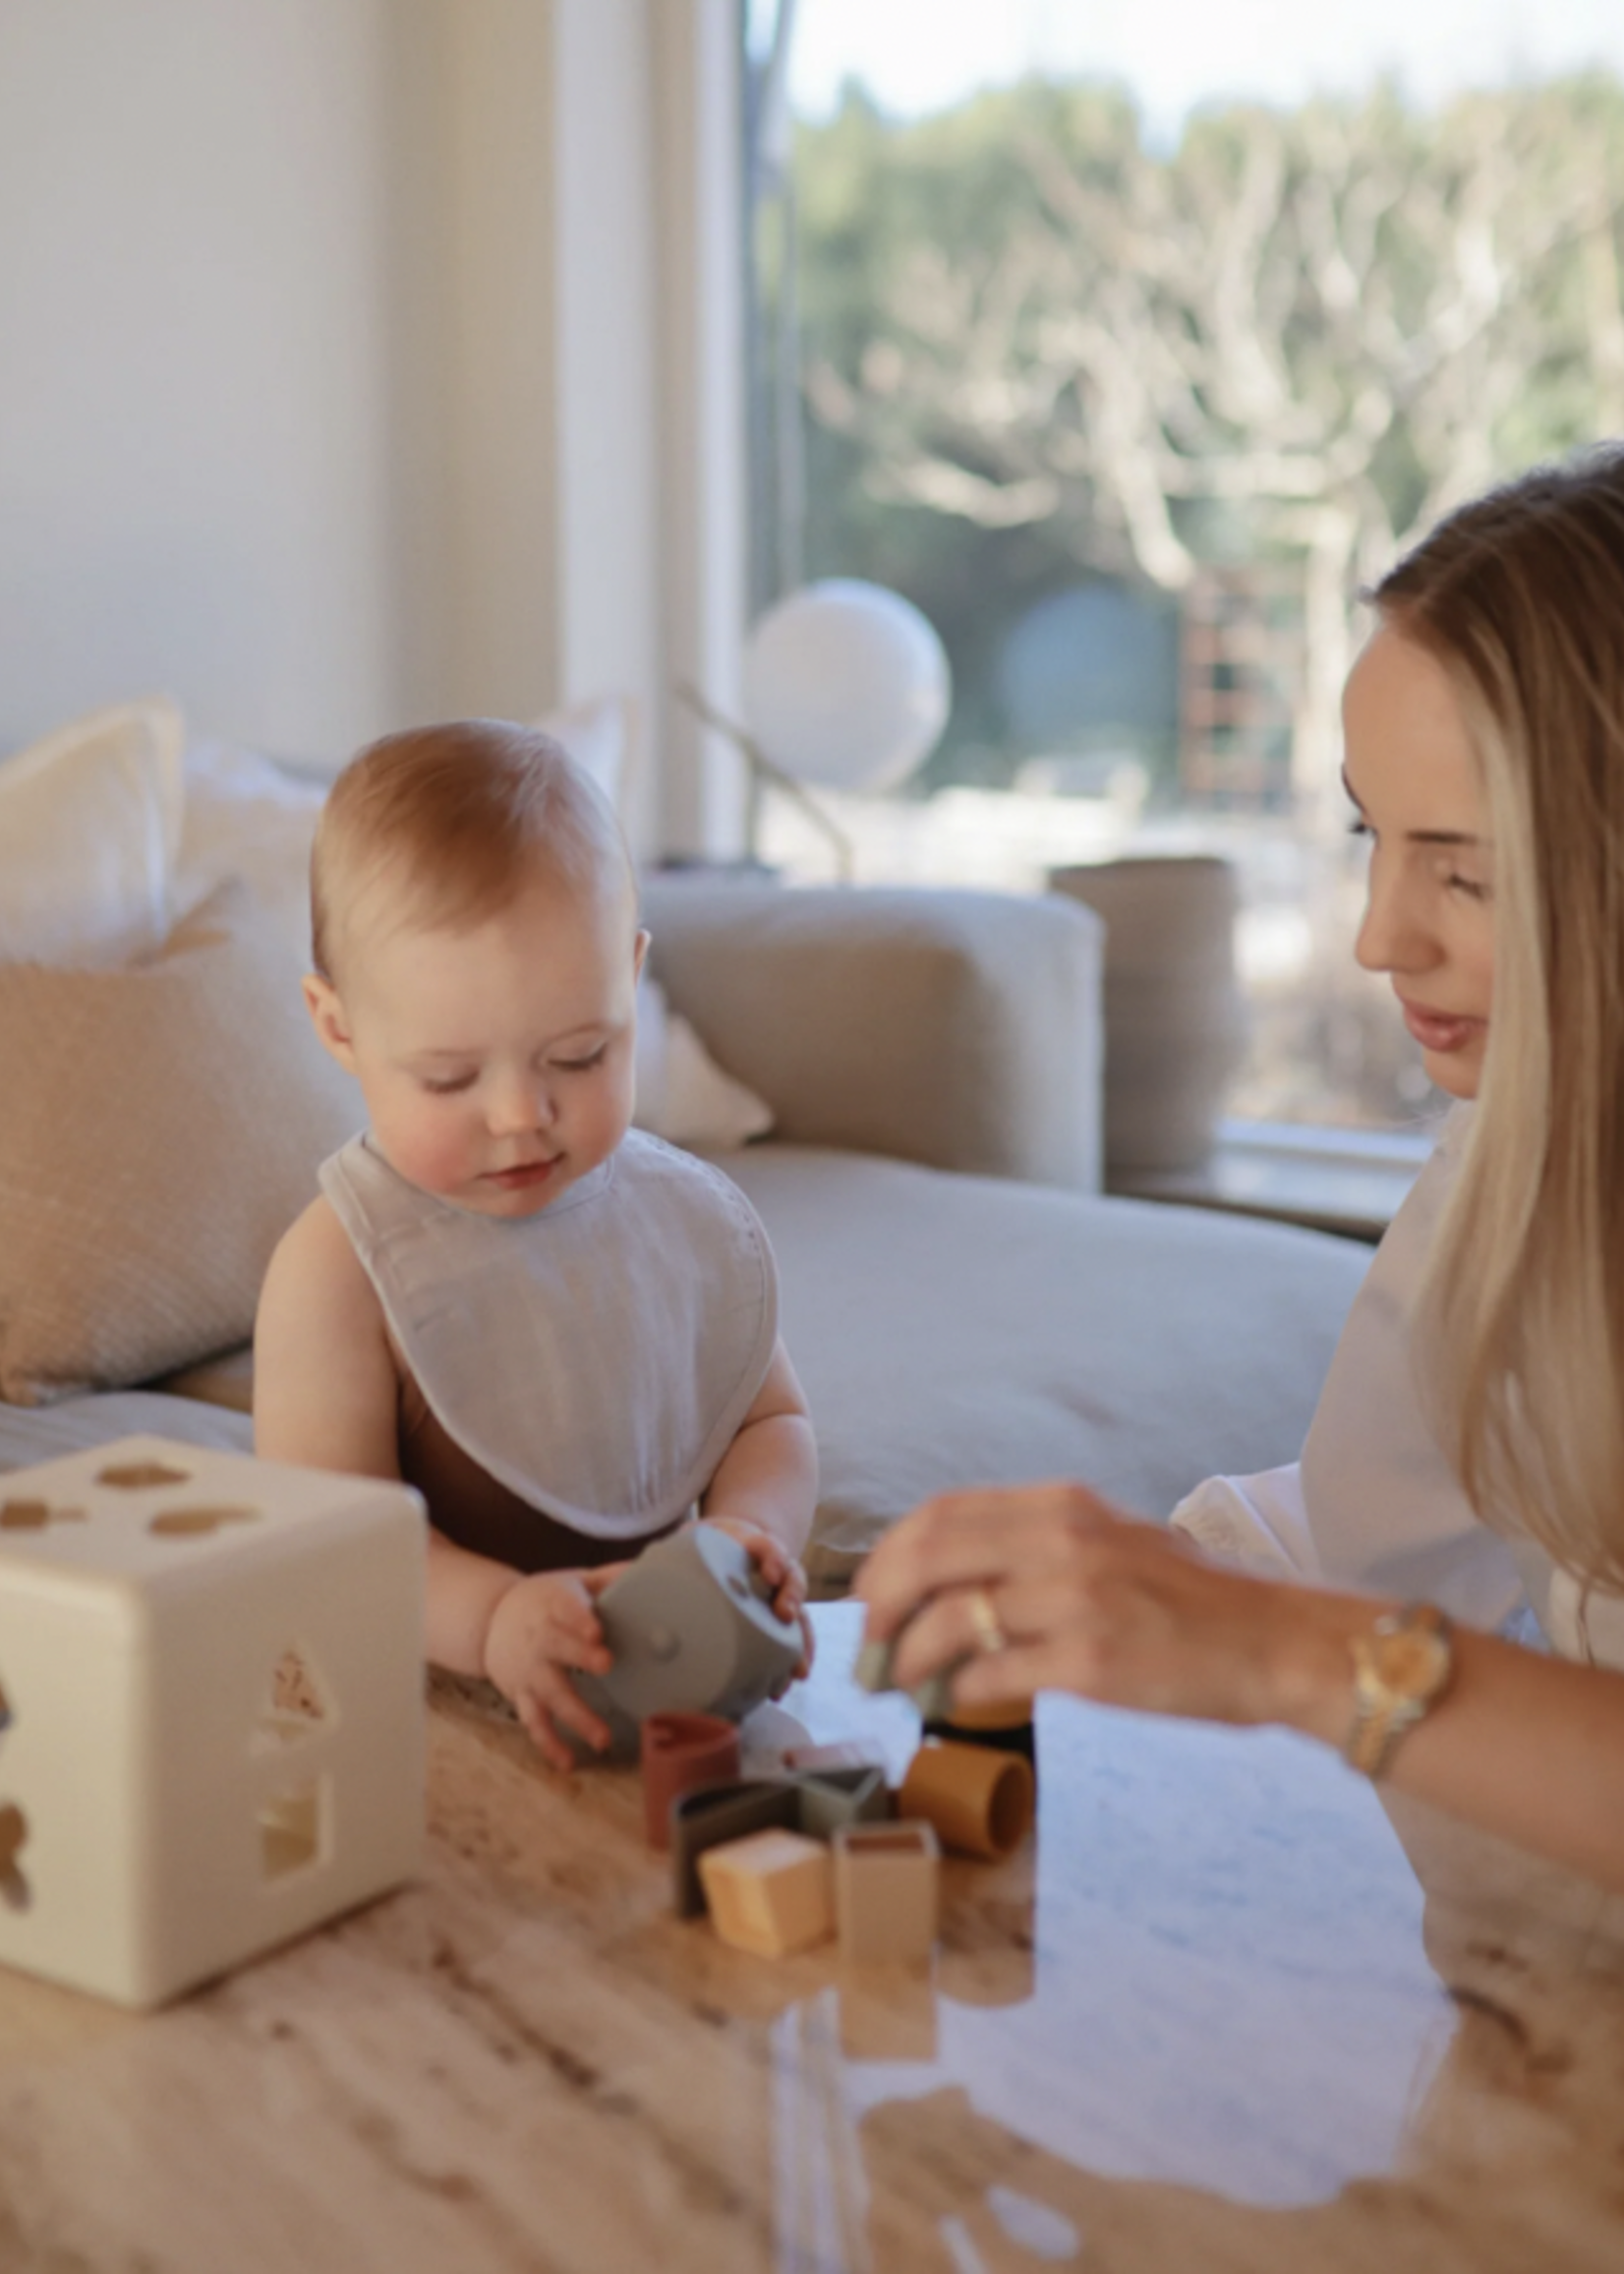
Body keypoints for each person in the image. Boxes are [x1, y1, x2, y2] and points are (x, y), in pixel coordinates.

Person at [857, 447, 1624, 1895]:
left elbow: (1339, 1639)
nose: (1380, 937)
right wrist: (1139, 1579)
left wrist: (1278, 1652)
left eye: (1462, 870)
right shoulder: (1505, 1171)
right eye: (1370, 837)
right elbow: (1371, 1522)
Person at [254, 720, 818, 1768]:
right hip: (423, 1722)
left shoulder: (680, 1219)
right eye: (449, 1078)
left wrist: (752, 1536)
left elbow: (769, 1420)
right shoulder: (337, 1272)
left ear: (631, 980)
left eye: (578, 1053)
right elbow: (334, 1544)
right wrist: (492, 1618)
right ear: (336, 1028)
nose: (521, 1114)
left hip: (661, 1693)